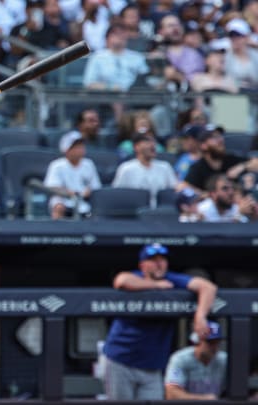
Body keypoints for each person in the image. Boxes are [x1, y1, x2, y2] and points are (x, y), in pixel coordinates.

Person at [102, 243, 217, 400]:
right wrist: (155, 285)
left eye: (162, 259)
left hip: (152, 365)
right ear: (142, 265)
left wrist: (200, 316)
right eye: (153, 260)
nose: (159, 263)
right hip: (121, 360)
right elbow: (121, 280)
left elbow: (208, 287)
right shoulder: (136, 277)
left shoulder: (173, 280)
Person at [43, 131, 101, 219]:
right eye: (76, 147)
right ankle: (56, 230)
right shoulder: (57, 165)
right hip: (64, 199)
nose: (80, 149)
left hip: (85, 201)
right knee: (57, 205)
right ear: (67, 150)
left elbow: (95, 186)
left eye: (81, 146)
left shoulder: (89, 164)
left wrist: (87, 192)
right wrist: (68, 192)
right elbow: (52, 187)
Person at [182, 126, 258, 193]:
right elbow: (182, 187)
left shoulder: (230, 159)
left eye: (220, 136)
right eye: (214, 138)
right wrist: (206, 195)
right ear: (203, 145)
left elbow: (255, 162)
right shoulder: (199, 167)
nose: (220, 140)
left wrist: (241, 167)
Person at [164, 321, 227, 400]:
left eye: (217, 342)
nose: (214, 347)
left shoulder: (224, 360)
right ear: (197, 341)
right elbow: (171, 394)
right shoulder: (180, 359)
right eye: (210, 342)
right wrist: (203, 399)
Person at [112, 133, 178, 207]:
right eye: (147, 142)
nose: (152, 145)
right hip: (134, 212)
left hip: (160, 211)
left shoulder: (165, 167)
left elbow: (175, 190)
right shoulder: (126, 168)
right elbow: (117, 195)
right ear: (136, 147)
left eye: (154, 142)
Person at [83, 23, 149, 91]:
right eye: (116, 33)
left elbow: (146, 79)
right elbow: (89, 83)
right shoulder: (97, 57)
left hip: (134, 97)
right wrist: (110, 88)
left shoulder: (137, 57)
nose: (120, 36)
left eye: (123, 33)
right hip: (106, 97)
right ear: (107, 38)